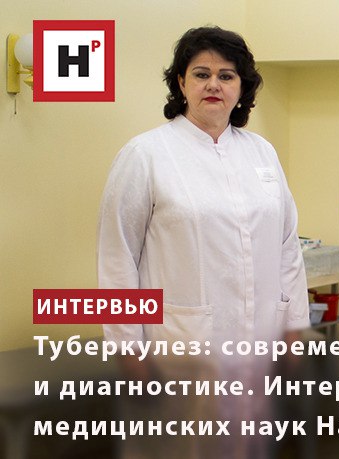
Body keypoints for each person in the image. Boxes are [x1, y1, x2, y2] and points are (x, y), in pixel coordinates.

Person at [97, 26, 310, 458]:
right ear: (181, 83)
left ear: (241, 88)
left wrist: (294, 330)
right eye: (201, 74)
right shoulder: (145, 155)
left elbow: (288, 248)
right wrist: (128, 351)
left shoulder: (262, 154)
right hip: (178, 346)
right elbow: (117, 258)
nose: (214, 84)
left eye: (226, 75)